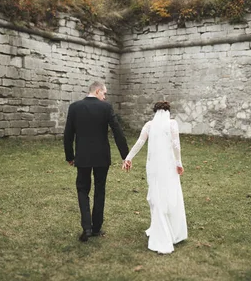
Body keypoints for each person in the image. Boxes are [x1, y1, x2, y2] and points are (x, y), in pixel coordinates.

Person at [64, 81, 129, 242]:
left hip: (83, 156)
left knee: (82, 190)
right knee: (100, 190)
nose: (105, 96)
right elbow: (118, 132)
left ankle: (86, 226)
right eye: (104, 93)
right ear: (98, 91)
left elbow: (68, 134)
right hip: (102, 156)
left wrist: (70, 156)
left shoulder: (74, 107)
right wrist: (125, 155)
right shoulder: (106, 108)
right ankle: (96, 227)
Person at [122, 101, 188, 254]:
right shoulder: (172, 124)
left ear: (155, 112)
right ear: (168, 112)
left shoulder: (149, 125)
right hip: (169, 165)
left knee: (156, 194)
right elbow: (176, 145)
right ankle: (172, 231)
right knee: (170, 193)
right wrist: (179, 162)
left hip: (153, 166)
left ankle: (159, 226)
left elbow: (139, 142)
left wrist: (128, 157)